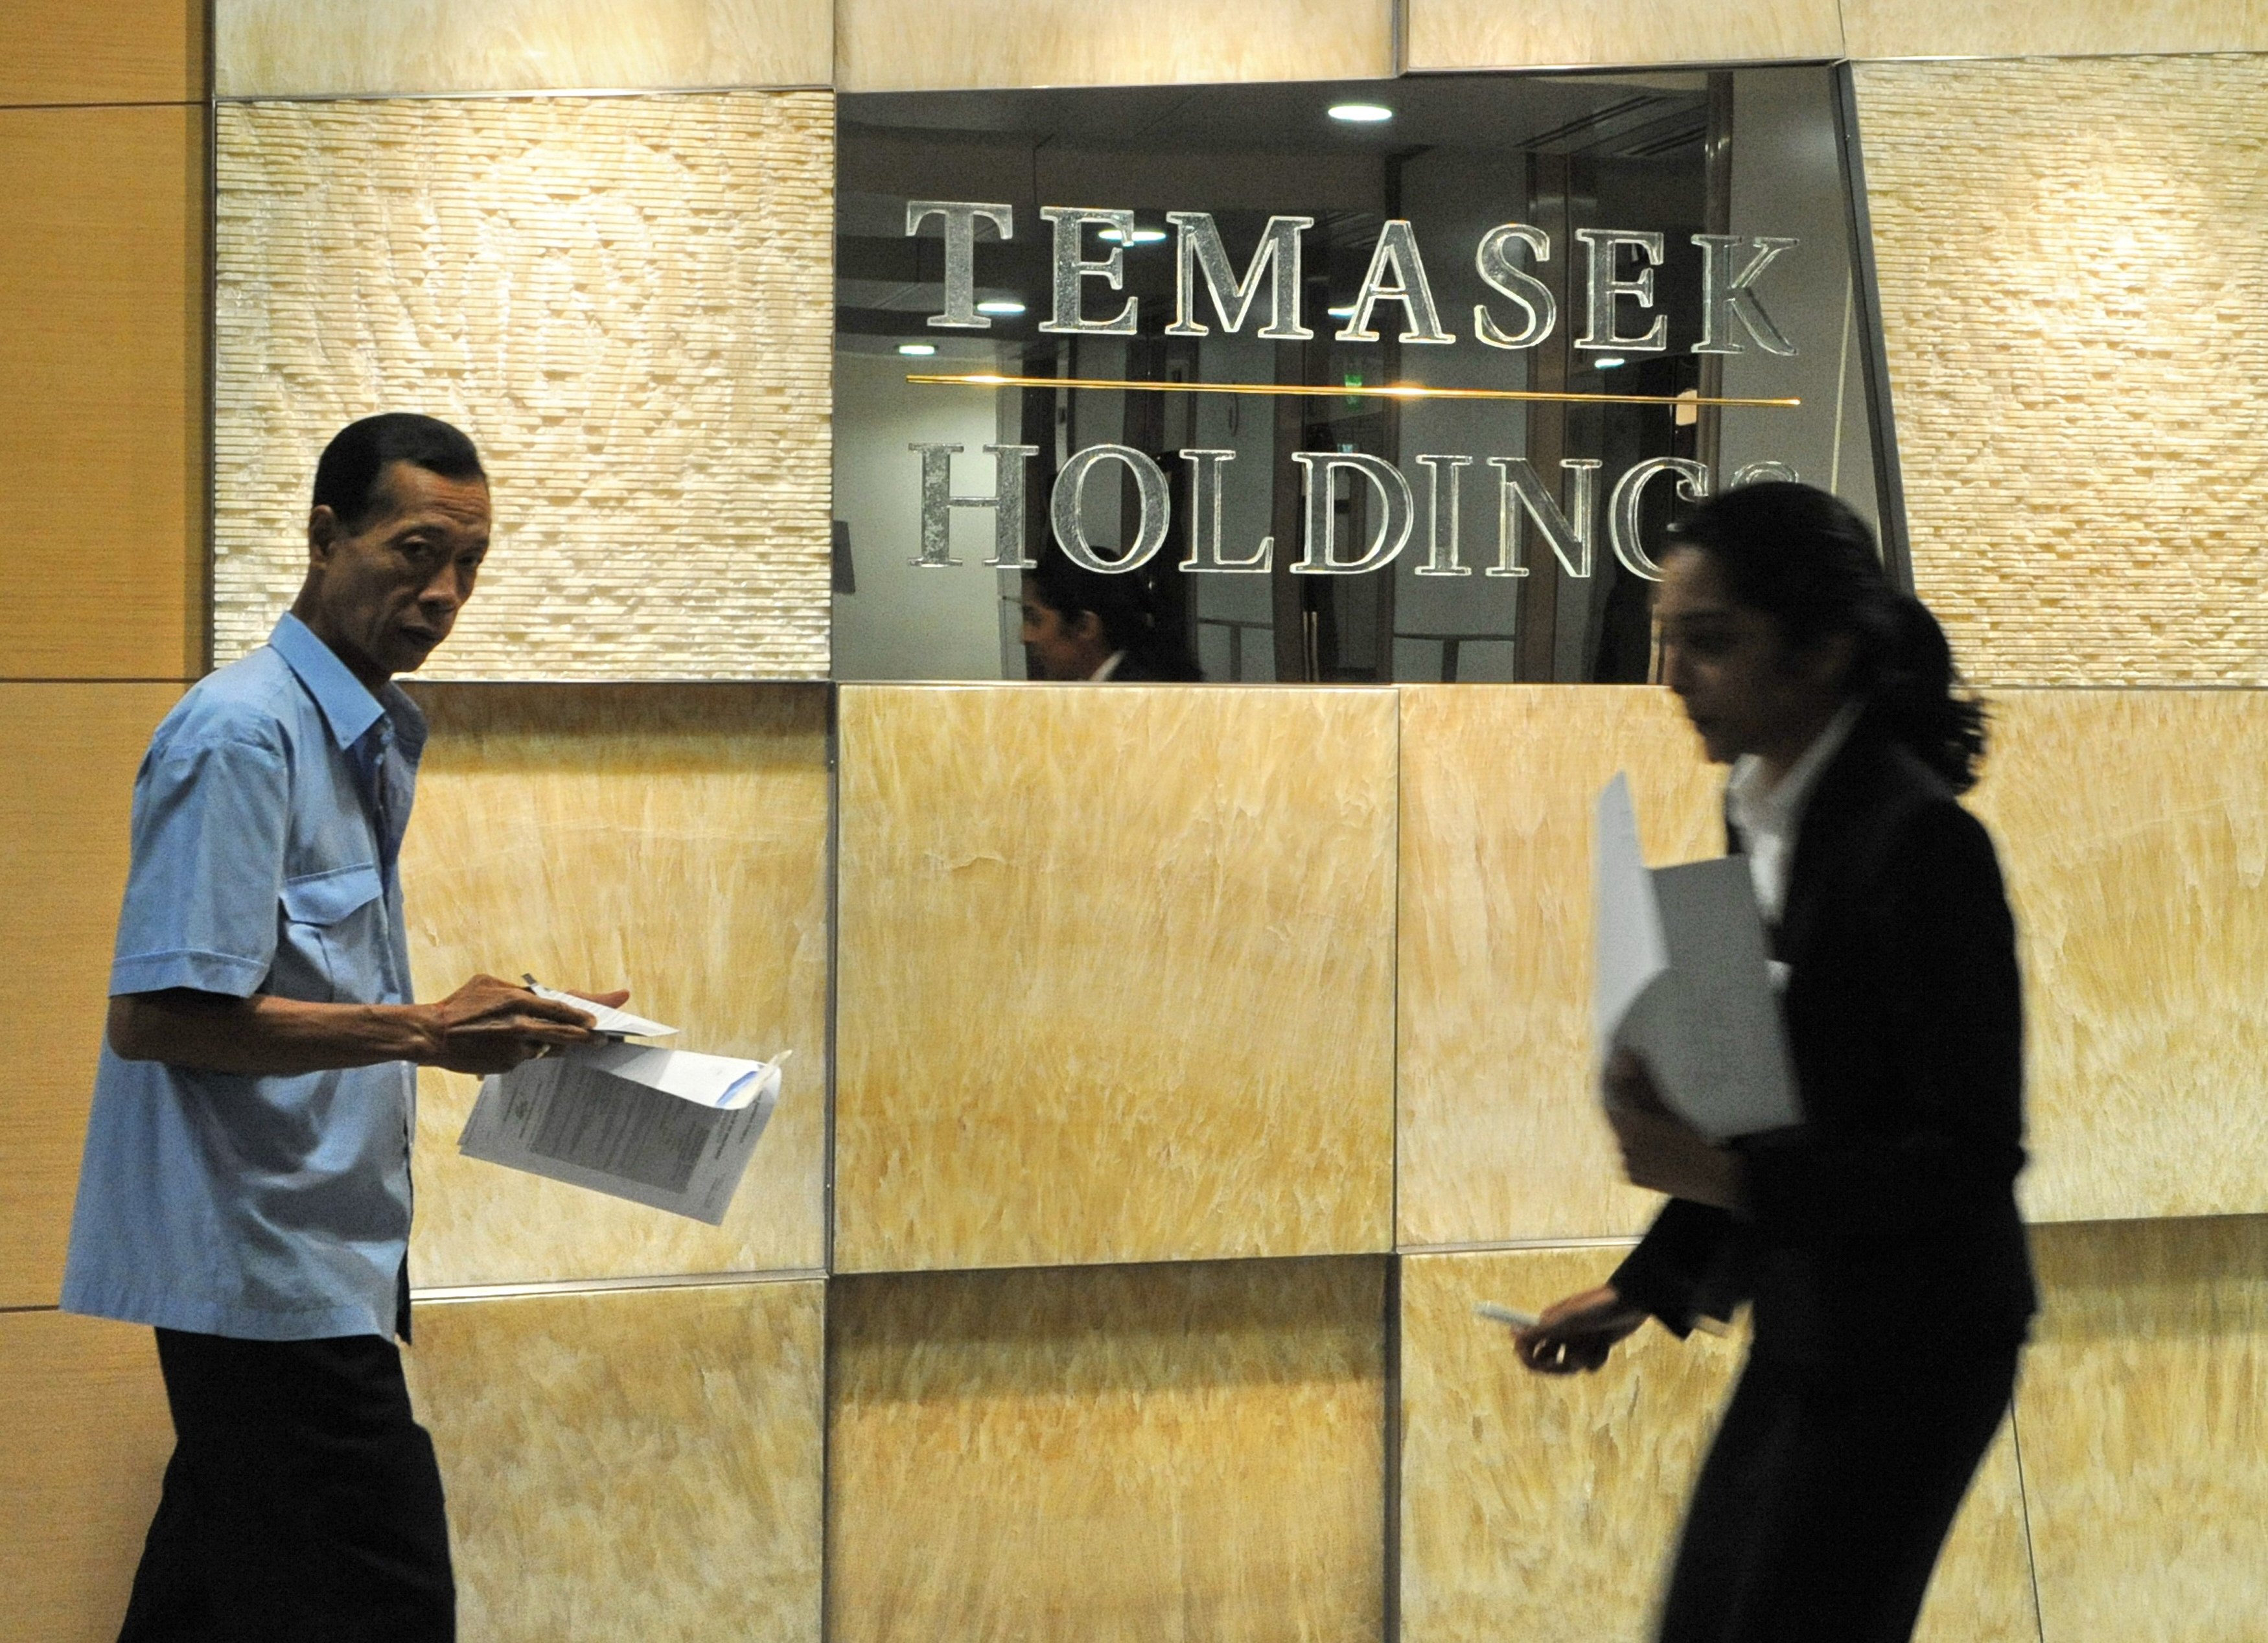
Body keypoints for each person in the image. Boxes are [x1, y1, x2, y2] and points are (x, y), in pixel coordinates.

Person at [61, 413, 629, 1642]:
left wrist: (506, 1020)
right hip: (262, 1271)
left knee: (210, 1598)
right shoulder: (241, 734)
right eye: (416, 550)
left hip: (319, 1257)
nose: (444, 592)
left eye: (470, 563)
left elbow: (307, 984)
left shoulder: (360, 732)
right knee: (384, 1602)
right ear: (325, 536)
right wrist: (424, 1029)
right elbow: (158, 1017)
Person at [1515, 482, 2037, 1643]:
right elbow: (1758, 1102)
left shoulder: (1923, 844)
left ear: (1820, 651)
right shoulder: (1750, 807)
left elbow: (1968, 1153)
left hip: (1923, 1337)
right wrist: (1643, 1288)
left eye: (1708, 643)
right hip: (1817, 1308)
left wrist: (1727, 1182)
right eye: (1664, 641)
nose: (1671, 678)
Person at [1018, 546, 1203, 681]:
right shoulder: (1133, 681)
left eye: (1035, 619)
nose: (1025, 637)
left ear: (1085, 626)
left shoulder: (1132, 698)